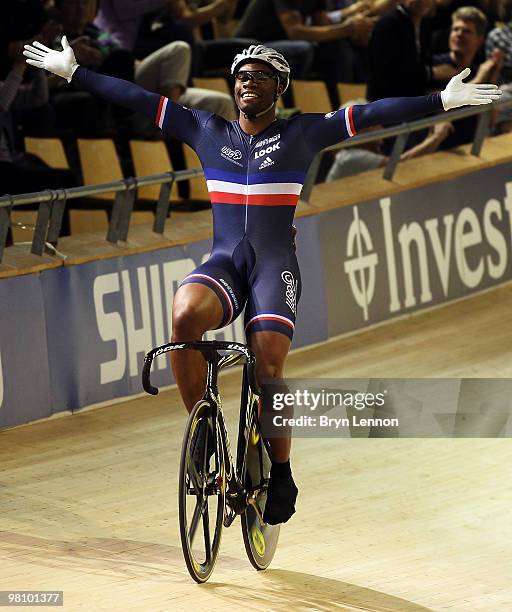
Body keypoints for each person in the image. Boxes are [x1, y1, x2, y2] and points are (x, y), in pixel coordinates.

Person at [23, 39, 501, 523]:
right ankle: (202, 430)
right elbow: (137, 99)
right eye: (241, 76)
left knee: (268, 366)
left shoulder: (303, 133)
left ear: (279, 87)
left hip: (275, 267)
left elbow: (372, 112)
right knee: (185, 315)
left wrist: (441, 101)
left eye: (260, 76)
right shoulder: (206, 128)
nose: (248, 82)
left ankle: (283, 469)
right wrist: (74, 72)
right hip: (226, 262)